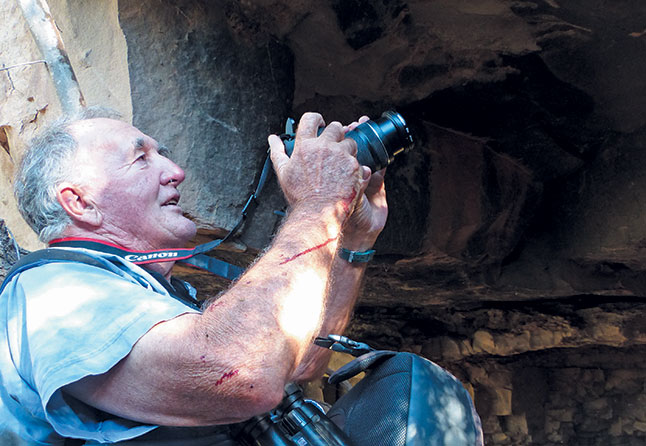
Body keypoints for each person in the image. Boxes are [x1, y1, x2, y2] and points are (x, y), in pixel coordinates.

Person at [0, 107, 388, 444]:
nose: (176, 172)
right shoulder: (52, 294)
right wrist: (319, 201)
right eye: (141, 159)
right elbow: (244, 372)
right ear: (80, 202)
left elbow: (297, 362)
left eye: (162, 155)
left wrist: (354, 236)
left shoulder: (151, 291)